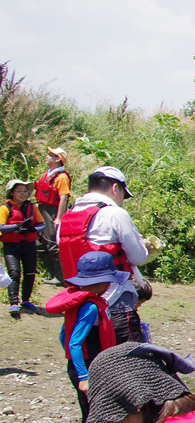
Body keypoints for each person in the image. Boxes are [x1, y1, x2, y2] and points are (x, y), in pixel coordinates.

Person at [43, 251, 125, 423]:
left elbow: (63, 335)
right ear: (99, 282)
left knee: (89, 416)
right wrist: (84, 376)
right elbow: (74, 343)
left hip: (86, 367)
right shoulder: (89, 307)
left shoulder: (84, 301)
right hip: (87, 371)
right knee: (94, 420)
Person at [57, 166, 150, 344]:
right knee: (129, 363)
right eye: (123, 194)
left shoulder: (66, 217)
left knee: (92, 357)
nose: (122, 200)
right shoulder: (115, 213)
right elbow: (138, 257)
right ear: (115, 188)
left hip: (80, 304)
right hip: (116, 303)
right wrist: (144, 247)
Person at [2, 179, 45, 317]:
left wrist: (30, 228)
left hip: (28, 245)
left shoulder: (32, 207)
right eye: (19, 191)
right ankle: (14, 303)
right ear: (12, 193)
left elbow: (41, 224)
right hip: (11, 246)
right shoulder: (5, 208)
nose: (23, 193)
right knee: (14, 272)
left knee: (30, 273)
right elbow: (1, 226)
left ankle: (26, 300)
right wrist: (16, 227)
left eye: (25, 191)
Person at [34, 146, 71, 284]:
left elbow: (63, 198)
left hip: (52, 210)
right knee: (40, 242)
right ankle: (50, 274)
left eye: (50, 155)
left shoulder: (61, 177)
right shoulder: (48, 173)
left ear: (57, 159)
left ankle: (60, 277)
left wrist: (59, 217)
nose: (46, 156)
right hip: (42, 209)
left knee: (51, 242)